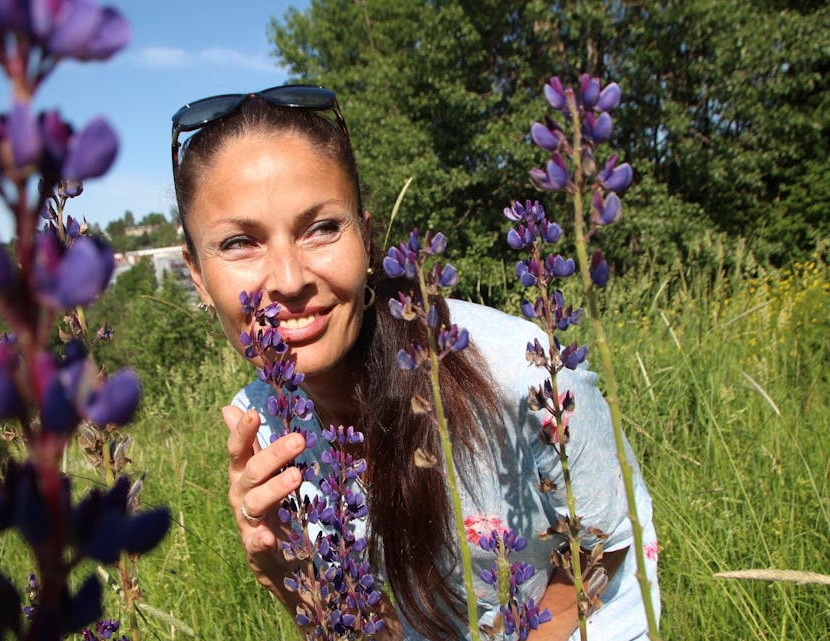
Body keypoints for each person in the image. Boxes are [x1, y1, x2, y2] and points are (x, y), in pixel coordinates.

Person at [170, 84, 660, 640]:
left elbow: (604, 544)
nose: (288, 279)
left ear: (366, 234)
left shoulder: (521, 370)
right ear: (197, 275)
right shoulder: (262, 428)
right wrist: (283, 575)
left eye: (323, 228)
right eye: (239, 242)